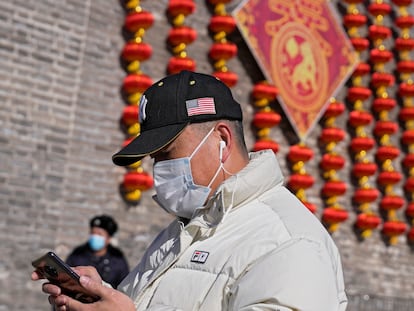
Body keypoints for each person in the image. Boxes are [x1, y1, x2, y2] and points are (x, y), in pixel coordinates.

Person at [32, 70, 348, 310]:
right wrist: (99, 294)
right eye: (154, 160)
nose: (158, 171)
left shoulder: (288, 240)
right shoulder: (182, 232)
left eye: (167, 154)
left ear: (222, 140)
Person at [65, 214, 129, 289]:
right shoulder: (79, 253)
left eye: (99, 234)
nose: (95, 237)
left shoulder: (117, 258)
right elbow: (67, 273)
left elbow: (124, 286)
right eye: (93, 233)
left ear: (108, 238)